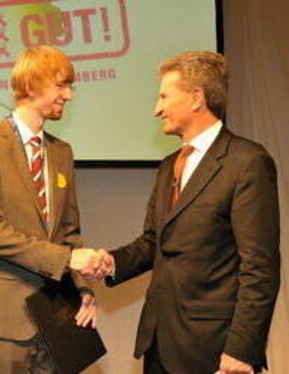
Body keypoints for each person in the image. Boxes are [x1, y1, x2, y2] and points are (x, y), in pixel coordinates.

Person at [76, 51, 280, 374]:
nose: (157, 109)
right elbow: (153, 242)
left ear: (196, 97)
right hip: (158, 343)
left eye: (164, 96)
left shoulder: (247, 163)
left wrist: (242, 350)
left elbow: (260, 267)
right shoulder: (170, 165)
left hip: (214, 350)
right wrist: (112, 263)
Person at [0, 45, 96, 373]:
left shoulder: (62, 152)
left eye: (70, 87)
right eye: (61, 85)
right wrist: (65, 259)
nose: (69, 96)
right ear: (32, 84)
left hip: (58, 313)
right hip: (4, 316)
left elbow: (69, 232)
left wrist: (83, 289)